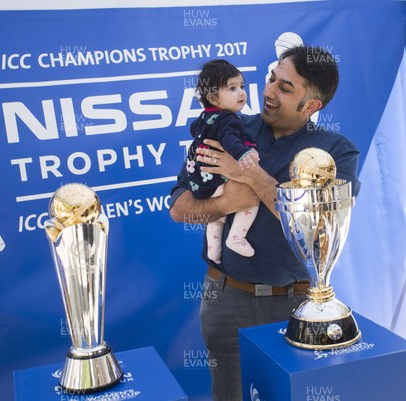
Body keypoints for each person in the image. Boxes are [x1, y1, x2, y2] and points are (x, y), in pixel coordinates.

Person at [169, 46, 360, 401]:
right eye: (272, 78)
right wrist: (228, 202)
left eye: (285, 88)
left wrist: (248, 173)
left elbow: (318, 225)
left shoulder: (336, 153)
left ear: (312, 106)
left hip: (296, 305)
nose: (269, 90)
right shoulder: (229, 126)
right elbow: (179, 209)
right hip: (225, 299)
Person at [185, 59, 260, 263]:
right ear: (213, 97)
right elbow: (229, 139)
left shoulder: (204, 117)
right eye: (233, 88)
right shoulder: (229, 119)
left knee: (217, 219)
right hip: (216, 179)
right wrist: (243, 154)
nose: (242, 93)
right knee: (251, 198)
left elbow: (194, 129)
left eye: (242, 87)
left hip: (199, 183)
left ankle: (213, 250)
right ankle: (237, 237)